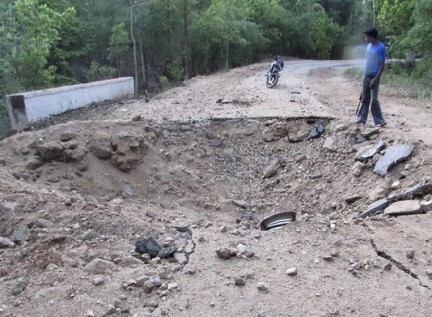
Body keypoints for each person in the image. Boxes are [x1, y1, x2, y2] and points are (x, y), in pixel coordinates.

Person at [356, 27, 387, 127]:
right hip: (367, 75)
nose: (366, 38)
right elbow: (367, 62)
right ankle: (362, 119)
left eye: (367, 36)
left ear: (372, 37)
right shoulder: (369, 46)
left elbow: (382, 65)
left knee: (374, 99)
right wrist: (364, 75)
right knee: (365, 99)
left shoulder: (381, 48)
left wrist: (376, 79)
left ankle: (379, 121)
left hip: (374, 76)